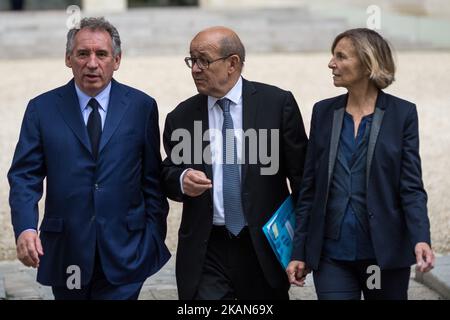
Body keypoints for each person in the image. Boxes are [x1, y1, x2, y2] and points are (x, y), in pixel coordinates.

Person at [7, 17, 170, 300]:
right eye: (83, 54)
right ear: (68, 59)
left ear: (117, 60)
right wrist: (25, 228)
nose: (92, 63)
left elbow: (151, 179)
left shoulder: (141, 107)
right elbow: (24, 176)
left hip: (127, 251)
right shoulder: (41, 109)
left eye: (102, 54)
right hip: (66, 250)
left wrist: (153, 235)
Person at [286, 28, 435, 300]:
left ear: (368, 63)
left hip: (381, 255)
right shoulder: (323, 112)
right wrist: (299, 251)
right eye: (333, 56)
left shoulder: (402, 114)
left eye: (341, 57)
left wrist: (420, 237)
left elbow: (410, 186)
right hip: (331, 255)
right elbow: (309, 189)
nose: (331, 63)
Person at [162, 26, 308, 300]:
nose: (195, 68)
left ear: (233, 63)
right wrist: (182, 180)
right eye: (191, 60)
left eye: (203, 60)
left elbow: (302, 180)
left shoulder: (277, 104)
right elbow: (167, 173)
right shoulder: (180, 117)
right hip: (207, 249)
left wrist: (302, 247)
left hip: (263, 247)